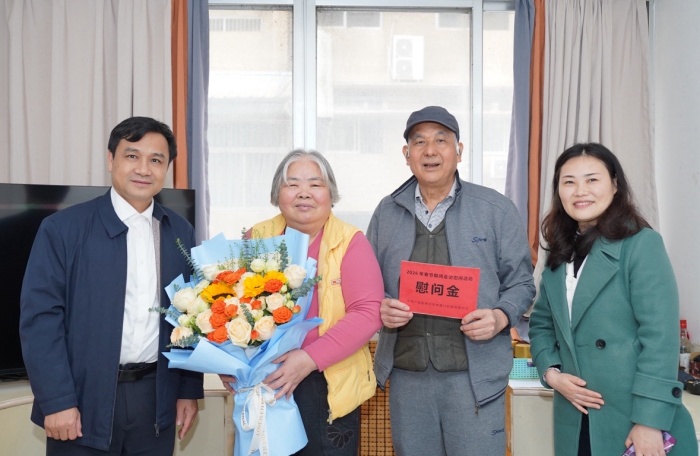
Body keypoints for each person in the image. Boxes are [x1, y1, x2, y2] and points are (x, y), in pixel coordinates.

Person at [19, 116, 204, 455]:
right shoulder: (62, 229)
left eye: (156, 160)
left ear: (167, 168)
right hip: (81, 399)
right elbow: (41, 321)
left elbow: (190, 317)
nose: (143, 169)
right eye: (132, 156)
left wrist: (187, 391)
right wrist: (57, 400)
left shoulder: (180, 231)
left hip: (155, 399)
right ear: (110, 159)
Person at [366, 106, 535, 455]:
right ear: (407, 154)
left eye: (441, 140)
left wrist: (500, 316)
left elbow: (522, 283)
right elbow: (367, 285)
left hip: (473, 378)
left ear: (459, 151)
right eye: (419, 142)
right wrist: (380, 307)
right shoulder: (387, 212)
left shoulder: (495, 209)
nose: (430, 150)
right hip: (408, 375)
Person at [529, 143, 698, 456]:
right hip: (575, 415)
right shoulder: (559, 252)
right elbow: (541, 324)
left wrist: (649, 422)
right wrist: (552, 374)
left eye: (592, 179)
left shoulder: (641, 244)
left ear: (615, 185)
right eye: (569, 182)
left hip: (633, 415)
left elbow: (660, 339)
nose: (580, 191)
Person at [220, 149, 384, 455]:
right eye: (292, 184)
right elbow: (226, 303)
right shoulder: (256, 236)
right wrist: (227, 362)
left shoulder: (351, 241)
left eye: (315, 184)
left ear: (330, 194)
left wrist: (308, 359)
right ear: (277, 194)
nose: (304, 193)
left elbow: (367, 313)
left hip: (327, 380)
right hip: (264, 378)